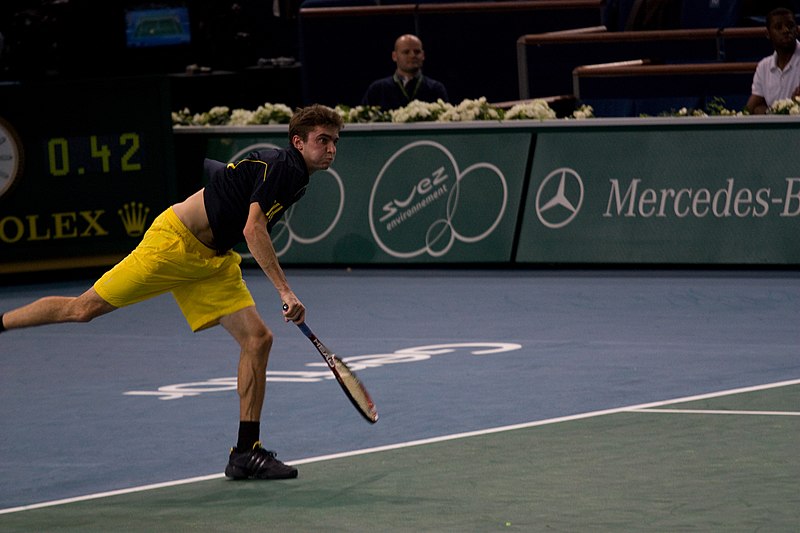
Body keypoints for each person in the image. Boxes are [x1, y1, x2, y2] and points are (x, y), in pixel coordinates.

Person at [0, 104, 344, 480]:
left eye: (334, 142)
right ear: (298, 141)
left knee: (258, 340)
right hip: (174, 245)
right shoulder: (284, 166)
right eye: (322, 140)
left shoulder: (294, 177)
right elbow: (253, 229)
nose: (330, 149)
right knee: (83, 309)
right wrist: (286, 292)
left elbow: (231, 192)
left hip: (213, 260)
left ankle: (245, 452)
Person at [361, 33, 449, 109]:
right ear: (394, 56)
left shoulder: (435, 89)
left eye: (417, 52)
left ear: (423, 55)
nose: (412, 55)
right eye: (406, 52)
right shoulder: (377, 89)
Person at [746, 7, 800, 114]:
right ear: (768, 34)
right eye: (778, 27)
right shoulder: (763, 67)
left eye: (790, 26)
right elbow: (752, 108)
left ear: (797, 30)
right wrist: (779, 112)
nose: (786, 30)